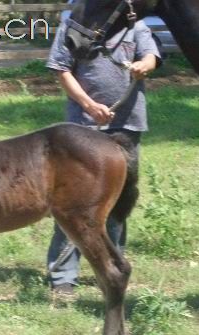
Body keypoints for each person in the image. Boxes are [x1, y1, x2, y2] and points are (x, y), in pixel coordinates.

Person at [46, 7, 161, 294]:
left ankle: (111, 268)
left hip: (126, 127)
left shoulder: (136, 26)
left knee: (118, 202)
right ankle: (62, 277)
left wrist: (145, 65)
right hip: (83, 130)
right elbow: (62, 69)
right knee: (72, 202)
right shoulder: (73, 24)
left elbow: (151, 56)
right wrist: (88, 105)